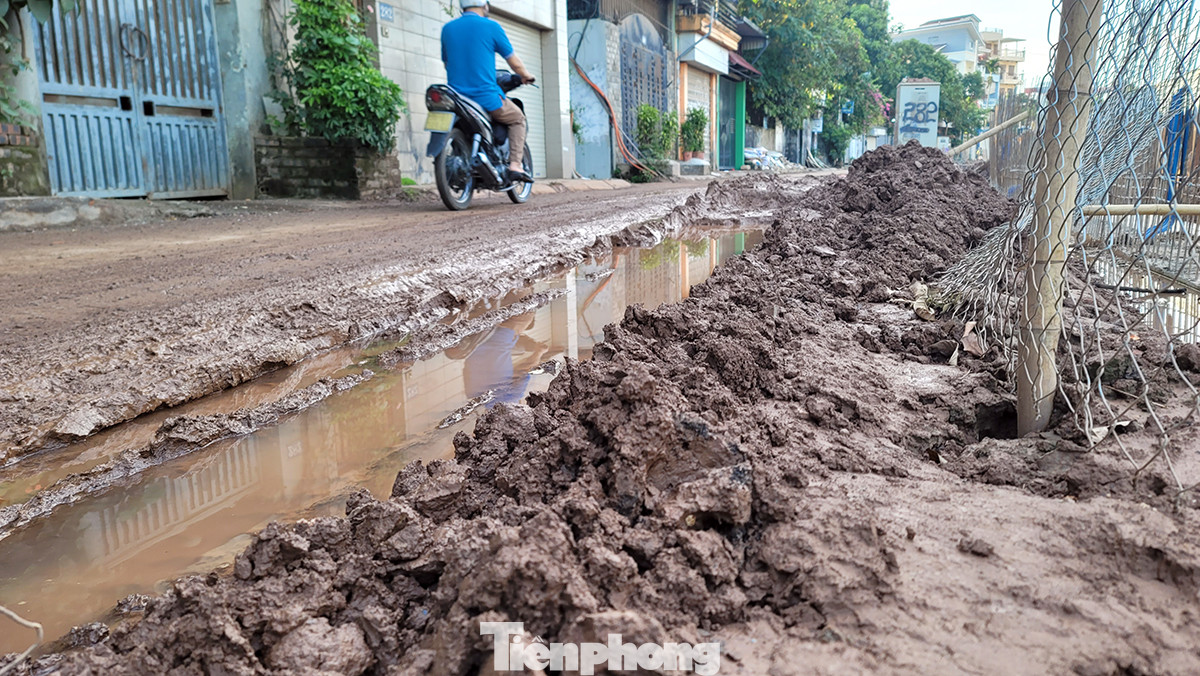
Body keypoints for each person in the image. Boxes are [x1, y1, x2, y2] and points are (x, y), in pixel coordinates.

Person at [440, 0, 535, 183]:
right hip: (485, 97)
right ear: (484, 5)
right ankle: (515, 164)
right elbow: (514, 62)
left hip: (456, 98)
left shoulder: (448, 29)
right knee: (518, 118)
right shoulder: (491, 26)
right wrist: (526, 76)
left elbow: (447, 64)